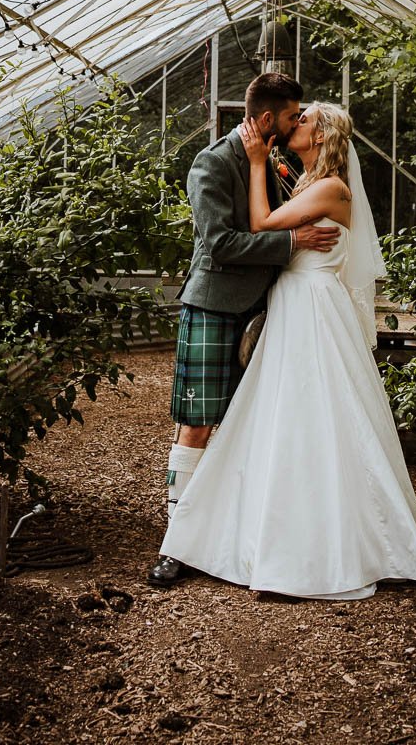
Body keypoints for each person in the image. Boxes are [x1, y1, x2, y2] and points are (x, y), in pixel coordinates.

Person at [156, 103, 416, 600]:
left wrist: (257, 162)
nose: (293, 125)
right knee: (283, 419)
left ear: (321, 137)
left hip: (312, 310)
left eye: (303, 120)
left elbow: (260, 222)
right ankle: (220, 530)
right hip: (292, 307)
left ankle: (317, 545)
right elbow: (269, 232)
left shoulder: (329, 187)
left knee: (316, 418)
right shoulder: (305, 180)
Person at [147, 73, 340, 588]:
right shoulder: (210, 163)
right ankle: (176, 543)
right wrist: (292, 243)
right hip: (214, 309)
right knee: (198, 425)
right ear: (264, 120)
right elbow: (220, 245)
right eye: (291, 116)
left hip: (264, 311)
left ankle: (228, 532)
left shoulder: (276, 163)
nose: (298, 123)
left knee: (244, 429)